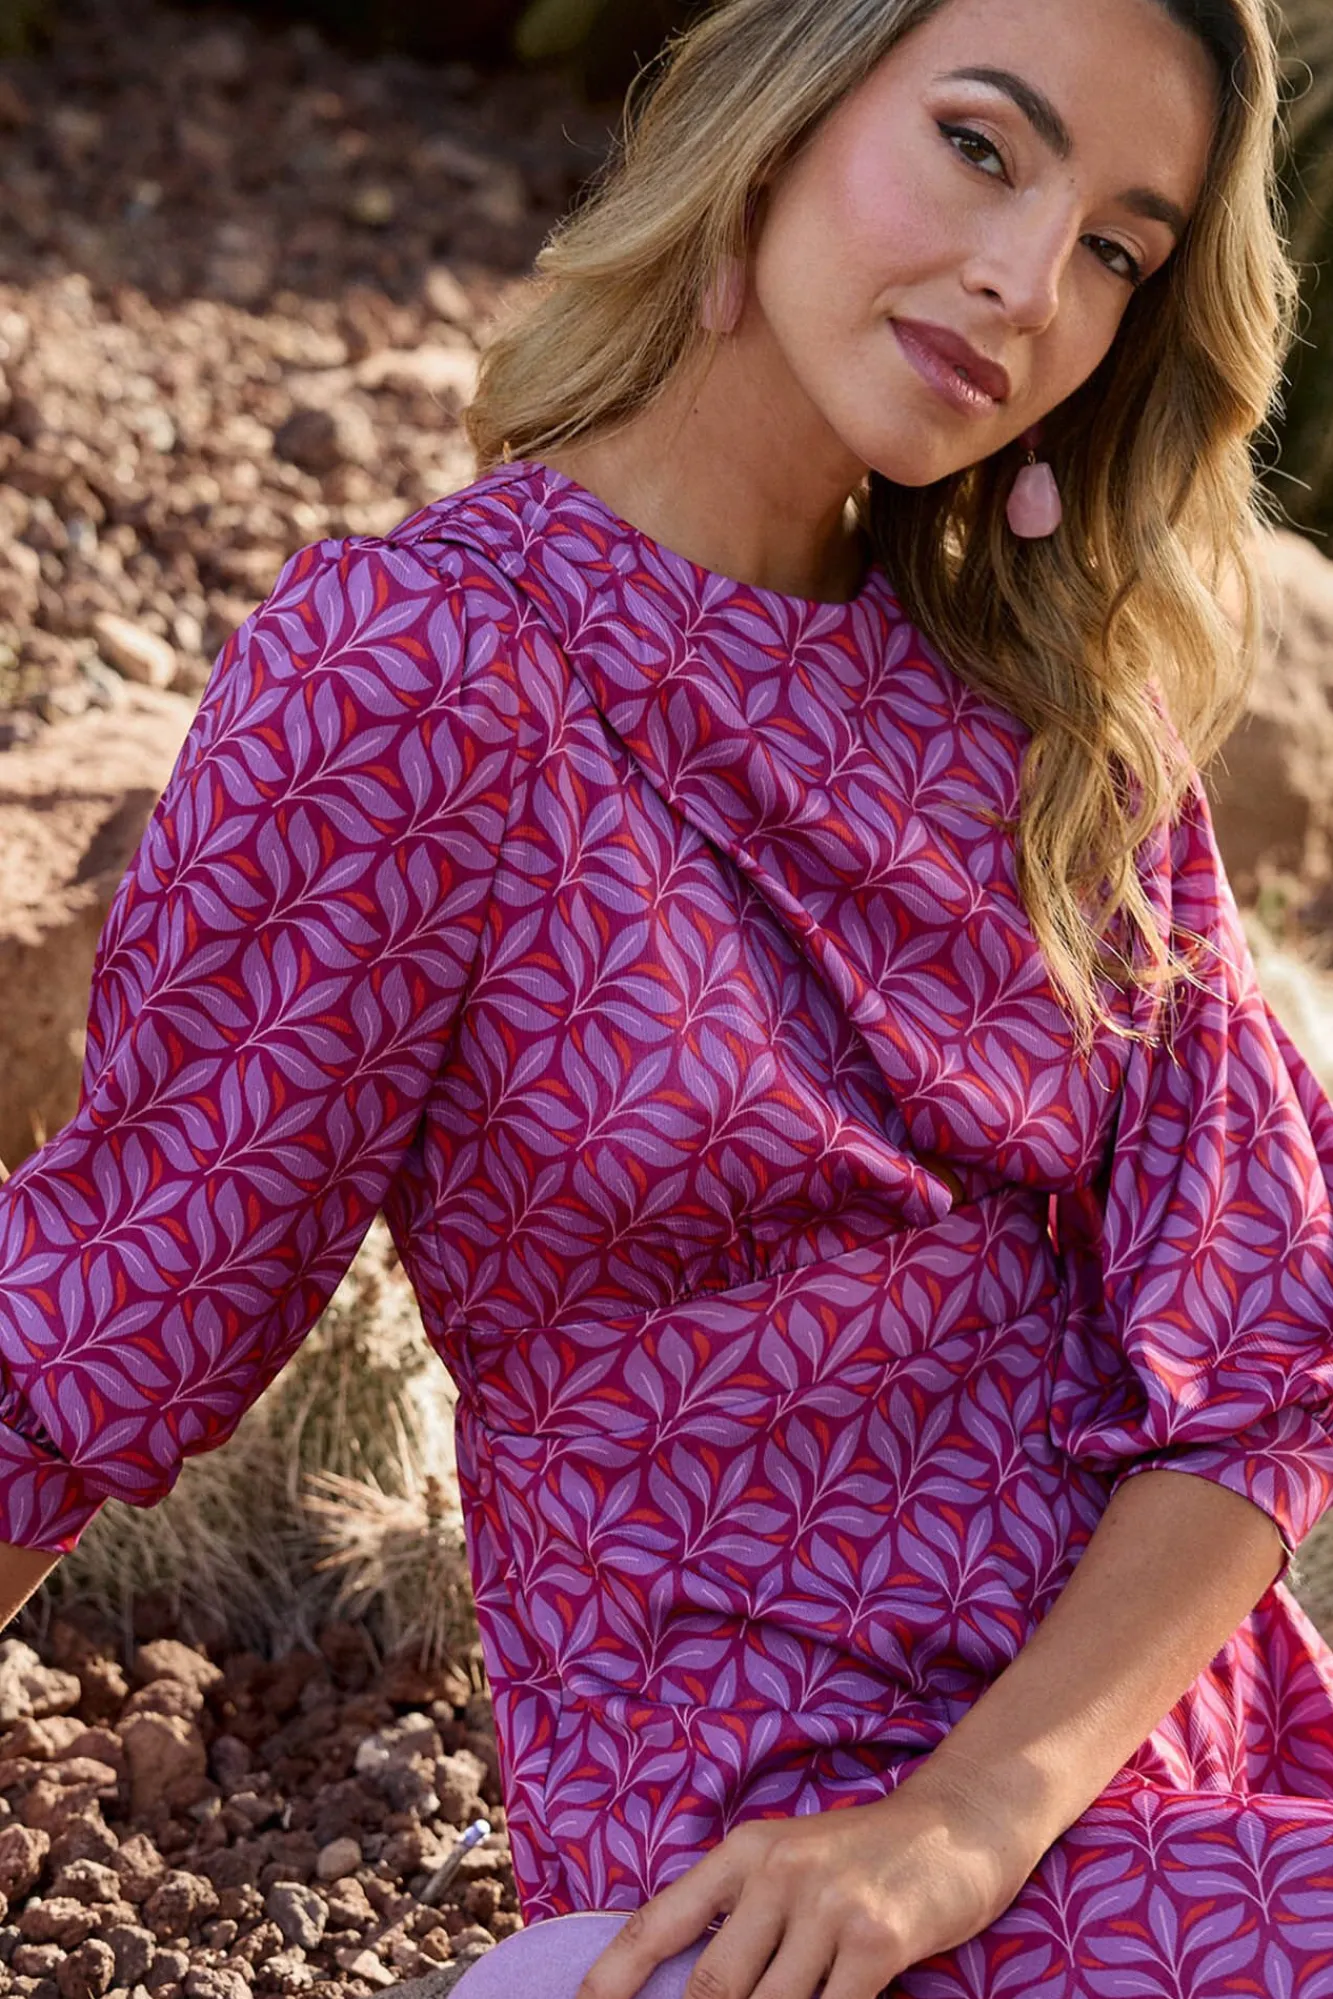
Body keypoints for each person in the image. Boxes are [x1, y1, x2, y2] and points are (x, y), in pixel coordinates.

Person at [2, 0, 1332, 1993]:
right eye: (982, 147)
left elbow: (1258, 1355)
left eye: (1120, 250)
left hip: (1146, 1800)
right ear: (784, 116)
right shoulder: (428, 673)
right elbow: (94, 1326)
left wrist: (973, 1822)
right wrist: (920, 1851)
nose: (1028, 281)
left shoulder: (1066, 729)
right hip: (763, 1867)